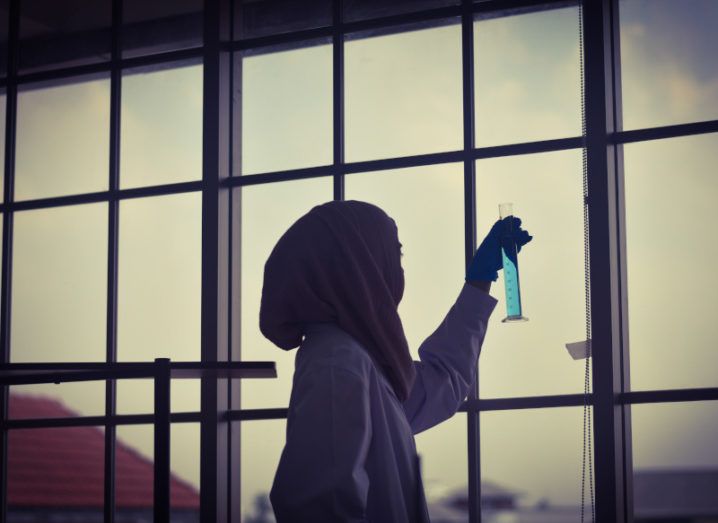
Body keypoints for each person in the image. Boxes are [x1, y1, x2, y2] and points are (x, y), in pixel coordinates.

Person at [260, 200, 532, 522]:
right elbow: (321, 508)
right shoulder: (337, 364)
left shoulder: (359, 360)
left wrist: (478, 282)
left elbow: (440, 384)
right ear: (360, 266)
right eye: (395, 253)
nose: (399, 268)